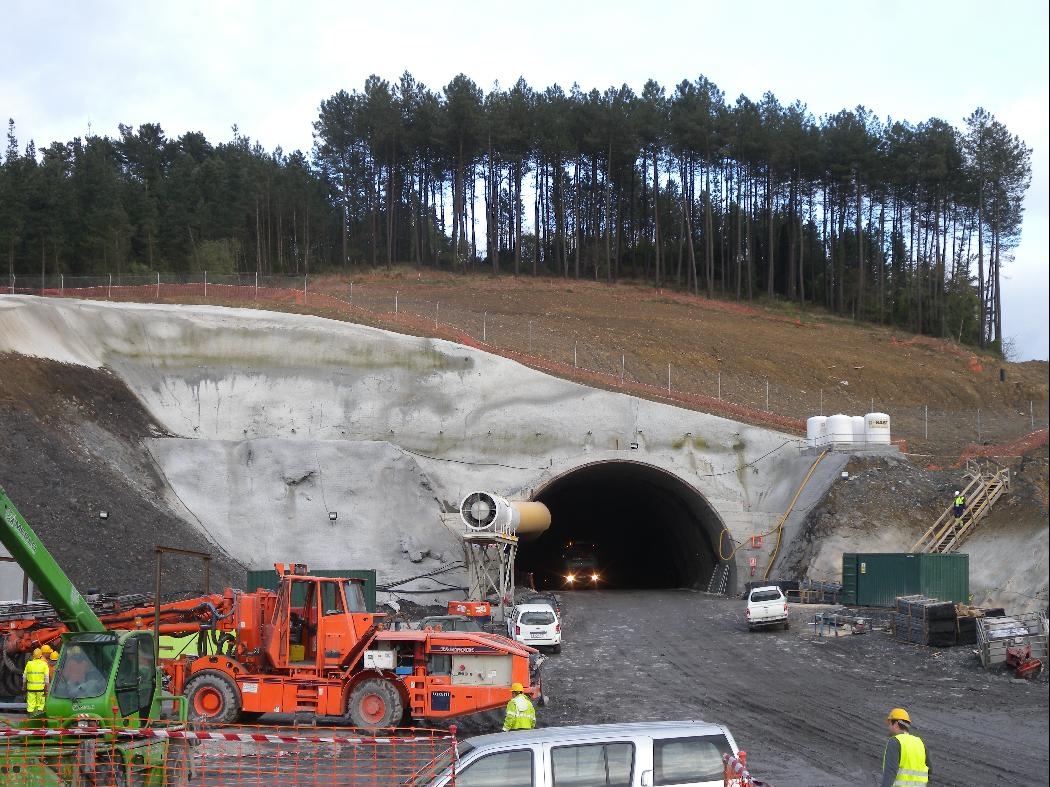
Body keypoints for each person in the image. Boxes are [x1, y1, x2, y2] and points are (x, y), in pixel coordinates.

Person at [880, 707, 929, 787]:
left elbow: (890, 773)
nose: (888, 727)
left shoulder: (895, 741)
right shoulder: (920, 743)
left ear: (895, 724)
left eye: (889, 724)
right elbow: (929, 770)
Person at [22, 647, 51, 715]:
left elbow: (24, 676)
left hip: (30, 689)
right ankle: (39, 718)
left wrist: (23, 686)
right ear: (41, 655)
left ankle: (31, 719)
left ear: (33, 655)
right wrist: (47, 688)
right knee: (40, 705)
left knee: (31, 705)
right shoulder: (44, 664)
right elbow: (46, 678)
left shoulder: (29, 663)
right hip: (40, 688)